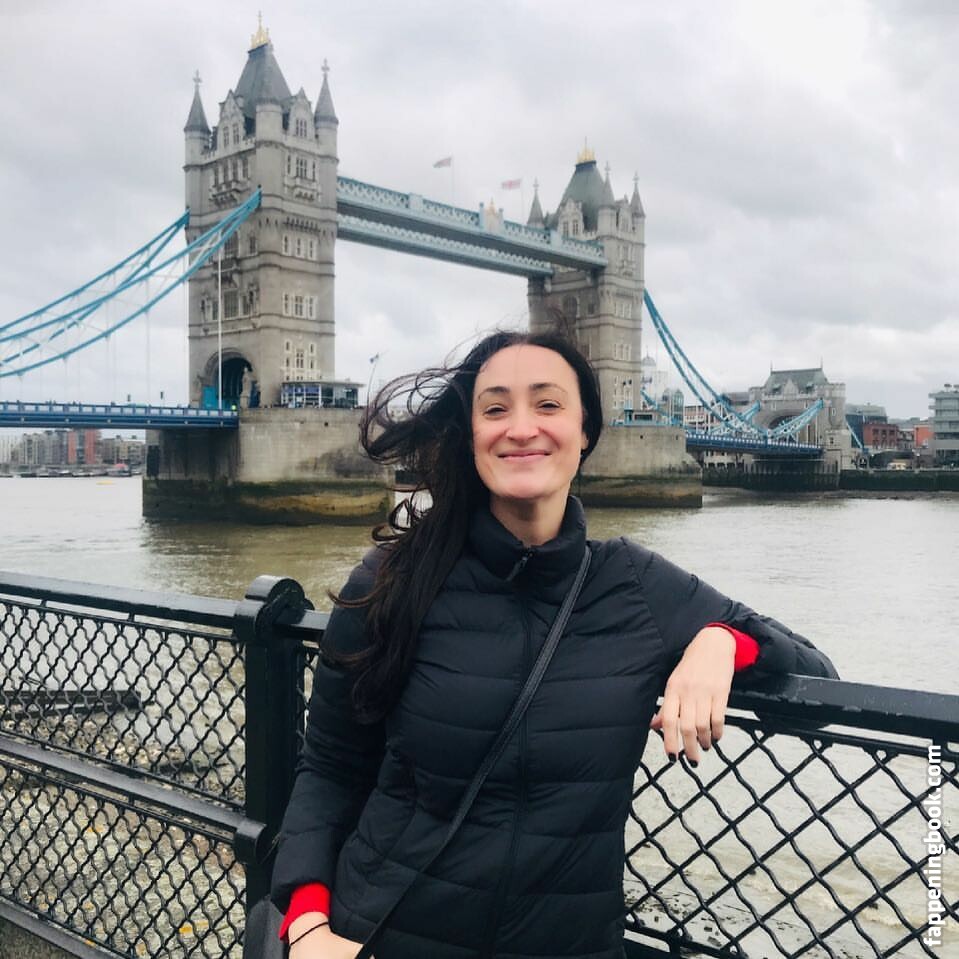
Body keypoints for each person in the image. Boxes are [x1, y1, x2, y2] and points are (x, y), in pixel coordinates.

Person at [271, 330, 838, 959]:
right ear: (471, 434)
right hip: (378, 937)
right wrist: (307, 924)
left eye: (547, 404)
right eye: (495, 408)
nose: (521, 429)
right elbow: (329, 766)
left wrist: (722, 643)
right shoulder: (393, 579)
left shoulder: (635, 585)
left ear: (585, 430)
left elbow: (819, 678)